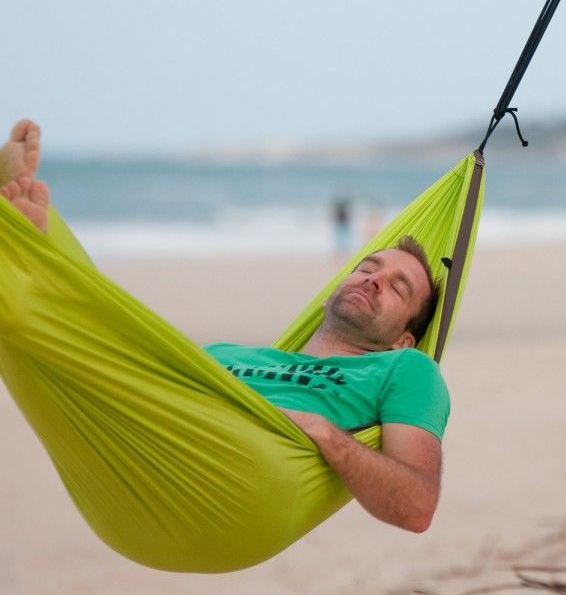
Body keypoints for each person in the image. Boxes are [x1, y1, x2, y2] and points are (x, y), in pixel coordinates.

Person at [1, 119, 448, 534]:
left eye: (397, 288)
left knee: (36, 324)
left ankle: (26, 263)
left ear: (404, 339)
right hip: (148, 438)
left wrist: (324, 433)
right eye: (367, 267)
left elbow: (415, 507)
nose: (372, 279)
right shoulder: (226, 355)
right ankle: (33, 253)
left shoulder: (404, 369)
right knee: (76, 340)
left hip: (231, 476)